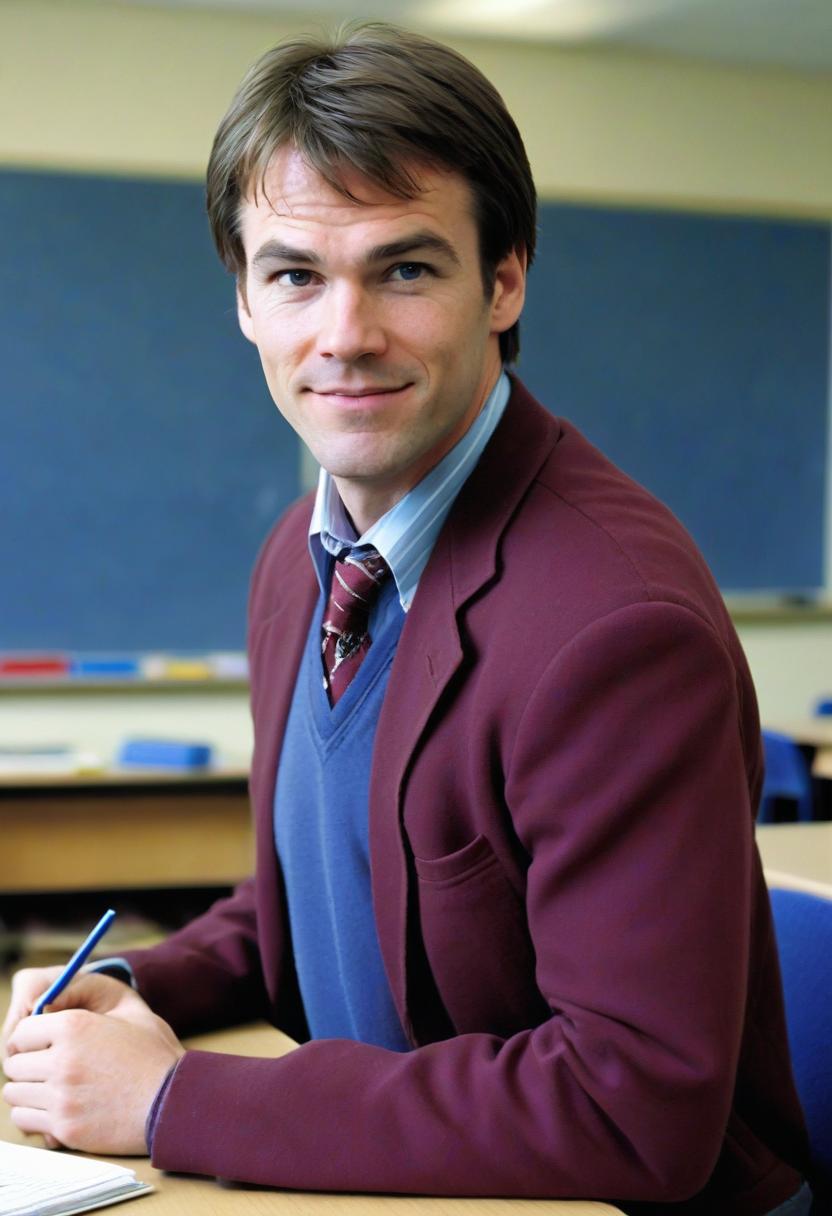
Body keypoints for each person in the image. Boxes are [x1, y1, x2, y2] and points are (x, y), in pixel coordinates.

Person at [1, 23, 813, 1215]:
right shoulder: (301, 559)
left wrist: (176, 1102)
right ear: (242, 298)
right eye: (294, 274)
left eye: (406, 269)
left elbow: (630, 1106)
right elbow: (324, 895)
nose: (344, 335)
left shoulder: (616, 627)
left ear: (505, 281)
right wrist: (125, 990)